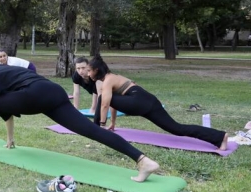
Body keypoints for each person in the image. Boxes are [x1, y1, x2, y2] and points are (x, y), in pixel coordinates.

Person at [0, 56, 160, 182]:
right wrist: (10, 138)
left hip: (35, 95)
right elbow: (7, 108)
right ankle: (143, 160)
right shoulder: (5, 70)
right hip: (54, 92)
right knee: (92, 130)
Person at [87, 55, 228, 150]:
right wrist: (113, 123)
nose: (87, 74)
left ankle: (94, 129)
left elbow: (105, 103)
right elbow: (113, 102)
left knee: (101, 98)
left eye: (89, 71)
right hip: (149, 101)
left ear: (96, 70)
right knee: (176, 128)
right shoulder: (113, 78)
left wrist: (102, 126)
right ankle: (219, 137)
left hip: (138, 100)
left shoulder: (107, 80)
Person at [72, 56, 118, 120]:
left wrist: (93, 108)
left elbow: (96, 92)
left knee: (111, 104)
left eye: (83, 68)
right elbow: (76, 92)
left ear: (88, 67)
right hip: (99, 92)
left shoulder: (94, 75)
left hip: (109, 91)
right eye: (78, 68)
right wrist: (75, 109)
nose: (81, 71)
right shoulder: (76, 76)